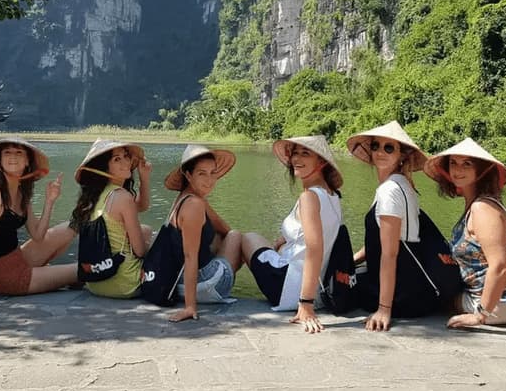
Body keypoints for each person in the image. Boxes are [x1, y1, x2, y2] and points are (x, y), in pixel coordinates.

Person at [0, 138, 78, 316]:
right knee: (81, 269)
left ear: (27, 161)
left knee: (72, 226)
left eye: (19, 152)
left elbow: (38, 235)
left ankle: (53, 277)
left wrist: (50, 201)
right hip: (5, 277)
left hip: (16, 258)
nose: (13, 156)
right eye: (7, 152)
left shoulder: (22, 193)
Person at [241, 135, 343, 334]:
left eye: (305, 154)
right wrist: (283, 240)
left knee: (245, 238)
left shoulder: (309, 197)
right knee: (268, 243)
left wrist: (305, 305)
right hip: (320, 292)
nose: (296, 159)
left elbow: (315, 250)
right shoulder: (333, 196)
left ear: (321, 162)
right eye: (294, 153)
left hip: (288, 289)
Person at [423, 138, 506, 327]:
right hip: (494, 302)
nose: (458, 170)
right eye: (453, 163)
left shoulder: (483, 208)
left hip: (497, 305)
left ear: (480, 170)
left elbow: (500, 265)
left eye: (467, 164)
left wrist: (480, 315)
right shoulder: (476, 205)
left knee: (429, 295)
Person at [346, 120, 430, 332]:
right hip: (411, 287)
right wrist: (352, 261)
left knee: (335, 289)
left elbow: (389, 253)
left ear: (401, 155)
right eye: (375, 146)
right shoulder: (401, 184)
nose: (380, 152)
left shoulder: (390, 191)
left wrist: (384, 309)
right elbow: (383, 240)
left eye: (389, 147)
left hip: (403, 295)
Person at [163, 145, 242, 322]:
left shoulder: (186, 198)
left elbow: (222, 228)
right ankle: (205, 297)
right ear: (188, 175)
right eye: (201, 174)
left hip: (176, 282)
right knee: (237, 236)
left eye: (213, 173)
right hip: (204, 286)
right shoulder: (195, 205)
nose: (210, 180)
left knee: (216, 236)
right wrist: (190, 307)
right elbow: (190, 256)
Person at [70, 138, 152, 299]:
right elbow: (140, 251)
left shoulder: (91, 198)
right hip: (126, 285)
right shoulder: (122, 197)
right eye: (116, 159)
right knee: (164, 239)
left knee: (146, 230)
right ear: (103, 167)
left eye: (126, 156)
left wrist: (144, 178)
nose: (125, 162)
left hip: (95, 283)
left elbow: (141, 207)